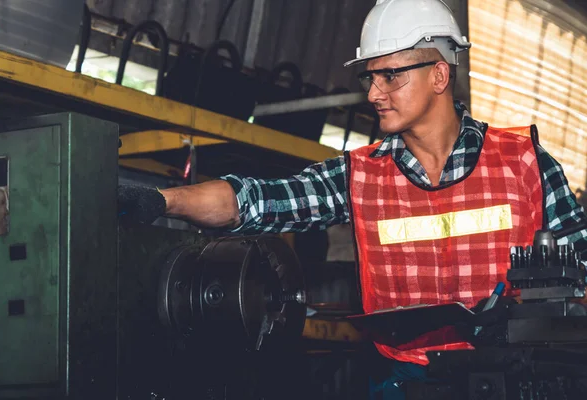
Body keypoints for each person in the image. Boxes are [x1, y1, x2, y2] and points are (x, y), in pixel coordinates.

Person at [118, 0, 587, 398]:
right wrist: (164, 201)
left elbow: (580, 267)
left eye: (390, 76)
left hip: (516, 375)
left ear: (439, 75)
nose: (374, 93)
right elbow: (259, 200)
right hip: (406, 379)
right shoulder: (360, 174)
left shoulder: (524, 161)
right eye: (370, 78)